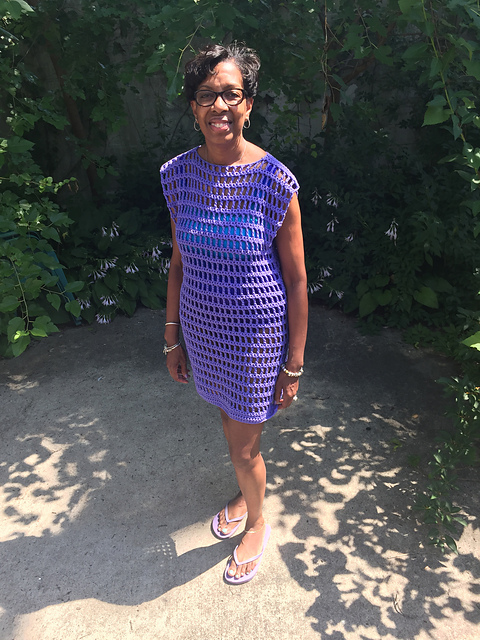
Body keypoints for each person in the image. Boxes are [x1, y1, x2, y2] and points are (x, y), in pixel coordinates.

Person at [160, 42, 308, 585]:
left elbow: (297, 281)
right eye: (206, 95)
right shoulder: (178, 176)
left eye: (230, 93)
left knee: (243, 446)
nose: (218, 105)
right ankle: (248, 495)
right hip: (205, 334)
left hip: (255, 338)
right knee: (232, 427)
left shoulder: (274, 182)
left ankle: (257, 521)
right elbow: (179, 262)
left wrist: (293, 363)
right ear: (193, 106)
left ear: (248, 104)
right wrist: (172, 337)